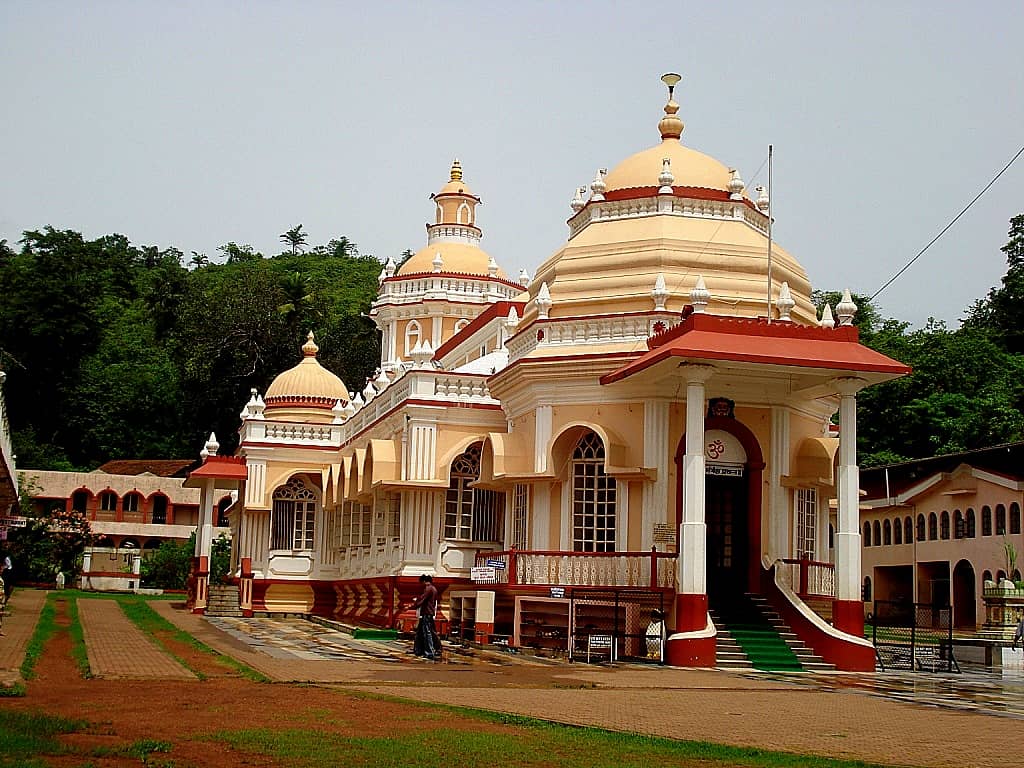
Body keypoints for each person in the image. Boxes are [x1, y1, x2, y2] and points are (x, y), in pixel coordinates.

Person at [410, 574, 441, 661]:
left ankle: (429, 652)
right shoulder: (433, 589)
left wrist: (412, 606)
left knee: (427, 633)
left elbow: (421, 600)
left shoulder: (428, 589)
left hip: (427, 613)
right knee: (427, 632)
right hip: (429, 613)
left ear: (424, 581)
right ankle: (421, 650)